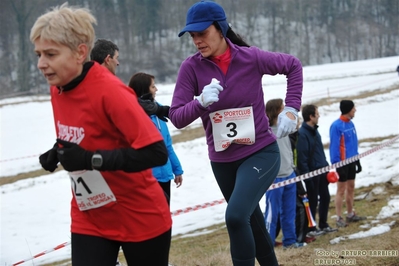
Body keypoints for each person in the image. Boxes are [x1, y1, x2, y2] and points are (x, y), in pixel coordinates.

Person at [30, 3, 172, 266]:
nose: (41, 64)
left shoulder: (112, 92)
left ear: (79, 52)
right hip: (90, 215)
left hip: (138, 214)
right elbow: (86, 129)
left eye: (50, 54)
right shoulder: (57, 87)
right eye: (38, 54)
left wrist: (90, 159)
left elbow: (156, 152)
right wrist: (58, 150)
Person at [170, 1, 303, 265]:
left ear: (220, 28)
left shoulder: (249, 57)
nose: (197, 40)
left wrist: (291, 108)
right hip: (222, 161)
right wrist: (200, 103)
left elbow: (293, 65)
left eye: (202, 33)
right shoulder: (191, 68)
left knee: (235, 216)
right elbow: (176, 117)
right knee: (251, 221)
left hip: (260, 153)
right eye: (192, 35)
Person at [128, 72, 183, 204]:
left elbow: (167, 145)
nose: (156, 89)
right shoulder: (132, 115)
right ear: (143, 89)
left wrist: (177, 170)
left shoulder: (158, 110)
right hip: (146, 180)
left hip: (165, 175)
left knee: (165, 219)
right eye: (153, 87)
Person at [264, 99, 306, 249]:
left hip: (290, 175)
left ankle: (290, 241)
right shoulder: (265, 131)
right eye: (282, 108)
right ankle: (267, 245)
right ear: (276, 111)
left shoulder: (286, 128)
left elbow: (298, 122)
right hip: (274, 179)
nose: (285, 111)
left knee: (289, 212)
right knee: (271, 215)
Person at [296, 104, 337, 236]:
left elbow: (319, 151)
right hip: (312, 173)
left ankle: (323, 224)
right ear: (311, 116)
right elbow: (302, 157)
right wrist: (307, 177)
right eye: (317, 114)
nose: (319, 116)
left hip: (322, 170)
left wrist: (326, 165)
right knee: (312, 200)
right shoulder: (302, 134)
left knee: (325, 197)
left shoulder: (315, 130)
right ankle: (311, 228)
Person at [329, 100, 365, 227]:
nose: (355, 110)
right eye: (353, 108)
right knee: (341, 190)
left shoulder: (351, 124)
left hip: (351, 161)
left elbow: (353, 144)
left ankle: (350, 214)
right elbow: (334, 146)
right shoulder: (336, 126)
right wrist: (337, 164)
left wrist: (357, 160)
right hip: (342, 163)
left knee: (351, 187)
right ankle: (339, 217)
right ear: (348, 109)